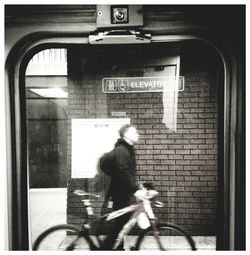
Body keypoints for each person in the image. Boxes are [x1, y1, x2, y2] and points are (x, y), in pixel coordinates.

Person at [102, 124, 139, 250]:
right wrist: (136, 189)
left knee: (121, 224)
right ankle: (106, 249)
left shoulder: (128, 149)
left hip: (123, 193)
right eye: (135, 132)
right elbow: (123, 173)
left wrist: (138, 186)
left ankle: (117, 249)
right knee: (121, 224)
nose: (138, 134)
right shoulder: (122, 151)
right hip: (120, 194)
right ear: (126, 134)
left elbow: (129, 173)